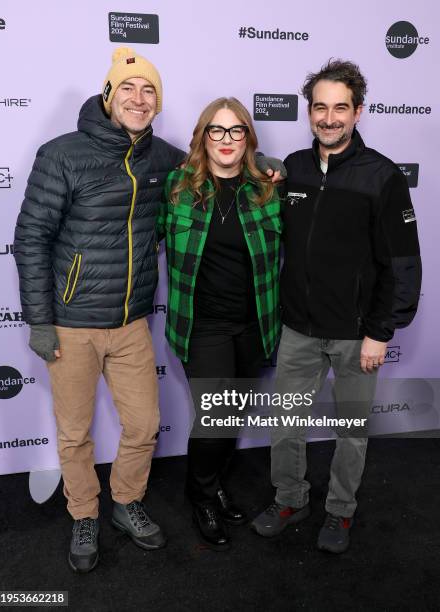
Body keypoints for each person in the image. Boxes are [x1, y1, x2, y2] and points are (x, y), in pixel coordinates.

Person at [13, 47, 284, 572]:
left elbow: (217, 163)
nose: (139, 99)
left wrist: (266, 164)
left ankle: (127, 503)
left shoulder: (161, 158)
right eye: (129, 89)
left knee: (143, 426)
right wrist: (39, 320)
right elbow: (31, 239)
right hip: (72, 324)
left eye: (150, 91)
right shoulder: (62, 154)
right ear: (110, 95)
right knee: (74, 433)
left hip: (133, 321)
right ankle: (85, 514)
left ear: (158, 103)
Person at [251, 59, 422, 553]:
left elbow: (404, 264)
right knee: (286, 426)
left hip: (357, 334)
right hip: (299, 329)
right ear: (309, 113)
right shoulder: (295, 169)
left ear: (358, 112)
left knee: (351, 433)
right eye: (320, 107)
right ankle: (290, 499)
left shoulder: (383, 177)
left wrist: (381, 331)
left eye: (340, 108)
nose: (329, 117)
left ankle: (340, 512)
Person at [158, 97, 282, 551]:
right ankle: (202, 497)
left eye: (236, 131)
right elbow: (138, 236)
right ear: (203, 136)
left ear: (248, 138)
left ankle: (213, 485)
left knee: (232, 417)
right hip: (202, 325)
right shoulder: (177, 186)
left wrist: (273, 167)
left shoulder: (267, 190)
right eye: (217, 130)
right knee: (215, 418)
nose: (226, 140)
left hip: (254, 326)